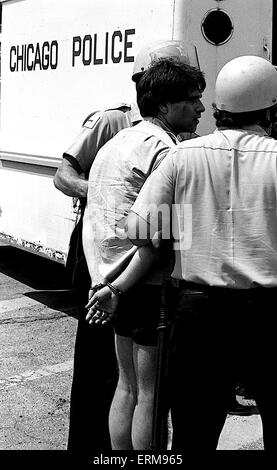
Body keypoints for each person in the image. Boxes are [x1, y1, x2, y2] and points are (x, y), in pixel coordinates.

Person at [53, 39, 200, 452]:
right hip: (144, 286)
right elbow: (166, 238)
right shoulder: (166, 150)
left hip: (108, 278)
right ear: (168, 102)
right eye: (194, 100)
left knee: (126, 388)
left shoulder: (116, 144)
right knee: (152, 397)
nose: (202, 109)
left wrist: (107, 283)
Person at [126, 55, 277, 452]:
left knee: (193, 432)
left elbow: (138, 229)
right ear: (272, 110)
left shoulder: (182, 156)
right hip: (268, 312)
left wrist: (190, 222)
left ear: (218, 109)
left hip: (197, 313)